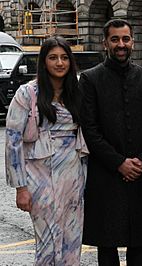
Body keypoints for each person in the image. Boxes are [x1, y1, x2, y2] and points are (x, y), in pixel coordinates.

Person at [79, 19, 142, 266]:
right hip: (106, 176)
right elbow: (90, 130)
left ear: (132, 42)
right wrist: (119, 163)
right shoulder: (90, 79)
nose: (121, 44)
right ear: (106, 43)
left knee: (140, 246)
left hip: (140, 176)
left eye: (125, 39)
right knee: (107, 248)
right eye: (115, 39)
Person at [5, 36, 88, 265]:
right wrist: (20, 188)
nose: (59, 63)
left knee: (72, 240)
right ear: (44, 62)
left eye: (64, 58)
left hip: (73, 174)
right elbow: (12, 142)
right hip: (38, 177)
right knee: (48, 242)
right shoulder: (27, 93)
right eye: (53, 58)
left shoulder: (78, 91)